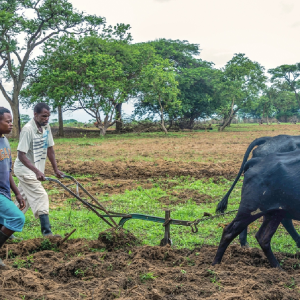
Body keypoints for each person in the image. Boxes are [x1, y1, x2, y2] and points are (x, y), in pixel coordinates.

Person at [14, 103, 64, 237]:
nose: (46, 119)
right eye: (43, 116)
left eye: (48, 116)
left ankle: (5, 227)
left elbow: (50, 149)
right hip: (24, 169)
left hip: (34, 170)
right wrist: (36, 171)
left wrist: (56, 170)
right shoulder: (27, 129)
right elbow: (21, 155)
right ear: (35, 114)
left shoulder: (46, 127)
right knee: (41, 195)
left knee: (23, 199)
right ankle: (47, 233)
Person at [0, 107, 25, 266]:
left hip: (5, 192)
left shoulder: (5, 141)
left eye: (12, 121)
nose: (11, 125)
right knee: (17, 218)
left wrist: (17, 193)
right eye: (7, 121)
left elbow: (8, 170)